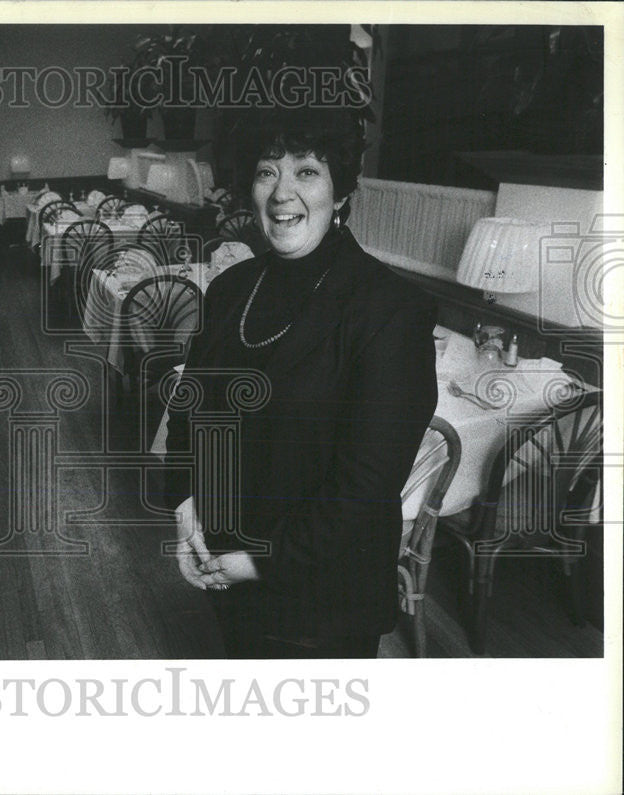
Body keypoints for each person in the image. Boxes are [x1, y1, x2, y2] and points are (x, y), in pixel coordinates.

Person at [163, 110, 438, 658]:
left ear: (340, 193)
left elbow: (366, 484)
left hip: (322, 597)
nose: (282, 192)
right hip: (226, 565)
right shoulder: (232, 287)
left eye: (307, 171)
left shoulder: (390, 307)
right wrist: (184, 503)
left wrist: (260, 558)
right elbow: (189, 410)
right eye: (267, 172)